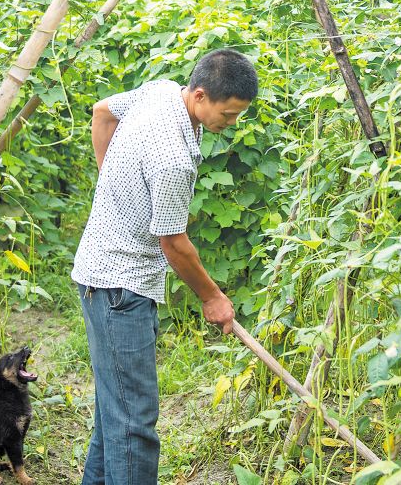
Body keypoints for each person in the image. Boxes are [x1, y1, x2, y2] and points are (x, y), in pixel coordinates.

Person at [71, 48, 258, 485]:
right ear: (199, 96)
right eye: (228, 115)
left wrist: (112, 180)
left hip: (97, 275)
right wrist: (213, 298)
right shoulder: (174, 157)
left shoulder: (158, 92)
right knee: (134, 424)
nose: (230, 125)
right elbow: (174, 244)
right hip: (121, 289)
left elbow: (102, 113)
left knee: (113, 412)